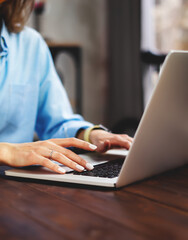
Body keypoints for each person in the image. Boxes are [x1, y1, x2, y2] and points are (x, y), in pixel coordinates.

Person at [0, 0, 133, 174]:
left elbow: (56, 122)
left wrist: (90, 135)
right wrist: (5, 151)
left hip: (18, 188)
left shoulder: (31, 45)